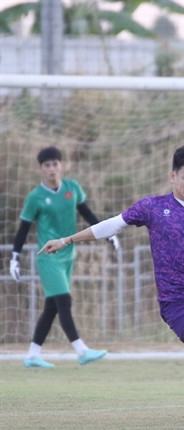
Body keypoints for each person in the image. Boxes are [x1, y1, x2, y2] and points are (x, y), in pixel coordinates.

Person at [38, 144, 184, 423]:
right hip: (176, 302)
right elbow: (111, 225)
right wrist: (67, 239)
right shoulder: (152, 207)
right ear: (172, 176)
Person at [9, 146, 119, 368]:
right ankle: (82, 351)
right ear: (41, 169)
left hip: (69, 254)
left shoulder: (72, 188)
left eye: (55, 163)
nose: (52, 168)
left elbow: (87, 214)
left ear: (61, 165)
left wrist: (108, 234)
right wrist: (14, 257)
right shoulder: (35, 197)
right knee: (64, 301)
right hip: (48, 255)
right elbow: (23, 228)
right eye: (47, 165)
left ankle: (32, 355)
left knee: (52, 307)